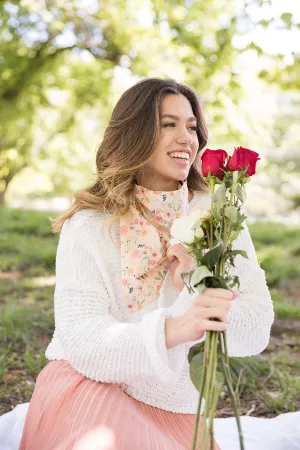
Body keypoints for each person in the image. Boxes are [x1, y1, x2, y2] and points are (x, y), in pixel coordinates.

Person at [19, 78, 274, 450]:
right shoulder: (89, 223)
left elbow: (257, 329)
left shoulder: (220, 217)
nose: (186, 138)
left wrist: (197, 281)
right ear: (135, 133)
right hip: (90, 389)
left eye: (191, 126)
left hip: (176, 407)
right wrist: (176, 328)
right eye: (168, 124)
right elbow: (82, 340)